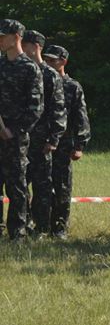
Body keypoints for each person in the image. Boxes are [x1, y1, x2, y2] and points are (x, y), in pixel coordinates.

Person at [0, 19, 44, 241]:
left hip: (15, 138)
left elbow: (35, 108)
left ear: (16, 36)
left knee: (17, 186)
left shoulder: (29, 68)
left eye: (3, 36)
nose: (0, 40)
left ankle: (17, 232)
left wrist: (13, 131)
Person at [42, 45, 90, 239]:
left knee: (61, 187)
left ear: (63, 61)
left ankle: (60, 228)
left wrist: (80, 145)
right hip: (41, 141)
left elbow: (81, 117)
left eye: (53, 60)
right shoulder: (41, 82)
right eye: (46, 60)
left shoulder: (72, 86)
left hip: (63, 144)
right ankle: (41, 226)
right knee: (41, 186)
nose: (48, 63)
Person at [21, 30, 66, 236]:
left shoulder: (50, 75)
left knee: (42, 187)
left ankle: (41, 227)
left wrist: (53, 138)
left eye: (26, 44)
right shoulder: (22, 70)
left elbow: (58, 109)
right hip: (20, 139)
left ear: (36, 46)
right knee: (20, 185)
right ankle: (24, 224)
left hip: (41, 141)